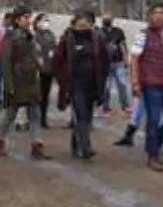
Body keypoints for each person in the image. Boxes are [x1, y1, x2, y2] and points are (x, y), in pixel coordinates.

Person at [130, 3, 163, 171]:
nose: (159, 16)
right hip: (151, 83)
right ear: (150, 16)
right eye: (155, 13)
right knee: (153, 119)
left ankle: (153, 145)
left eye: (162, 13)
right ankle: (153, 155)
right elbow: (134, 59)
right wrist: (135, 82)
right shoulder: (143, 35)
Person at [0, 6, 49, 159]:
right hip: (17, 80)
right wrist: (8, 84)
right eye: (25, 17)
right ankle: (0, 140)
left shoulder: (31, 35)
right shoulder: (10, 37)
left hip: (31, 79)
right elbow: (5, 61)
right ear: (17, 20)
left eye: (29, 17)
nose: (28, 20)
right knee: (11, 113)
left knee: (34, 113)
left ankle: (36, 144)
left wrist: (39, 64)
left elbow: (35, 55)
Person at [52, 11, 109, 158]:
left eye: (87, 23)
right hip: (75, 84)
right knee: (81, 115)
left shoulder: (97, 40)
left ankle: (76, 143)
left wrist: (103, 81)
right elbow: (57, 61)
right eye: (80, 23)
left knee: (87, 117)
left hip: (92, 84)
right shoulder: (67, 39)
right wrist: (62, 80)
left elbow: (104, 61)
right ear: (74, 24)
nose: (83, 25)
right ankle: (86, 148)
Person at [101, 15, 131, 114]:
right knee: (106, 86)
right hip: (105, 63)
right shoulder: (99, 32)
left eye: (109, 18)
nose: (107, 20)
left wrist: (126, 58)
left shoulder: (118, 31)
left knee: (122, 84)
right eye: (105, 18)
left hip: (118, 61)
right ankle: (105, 107)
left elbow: (124, 44)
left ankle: (125, 105)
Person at [33, 13, 58, 129]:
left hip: (48, 69)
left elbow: (55, 48)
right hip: (36, 69)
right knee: (35, 95)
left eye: (47, 21)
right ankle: (34, 118)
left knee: (45, 95)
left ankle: (43, 118)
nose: (45, 23)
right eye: (43, 21)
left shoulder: (50, 35)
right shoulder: (34, 36)